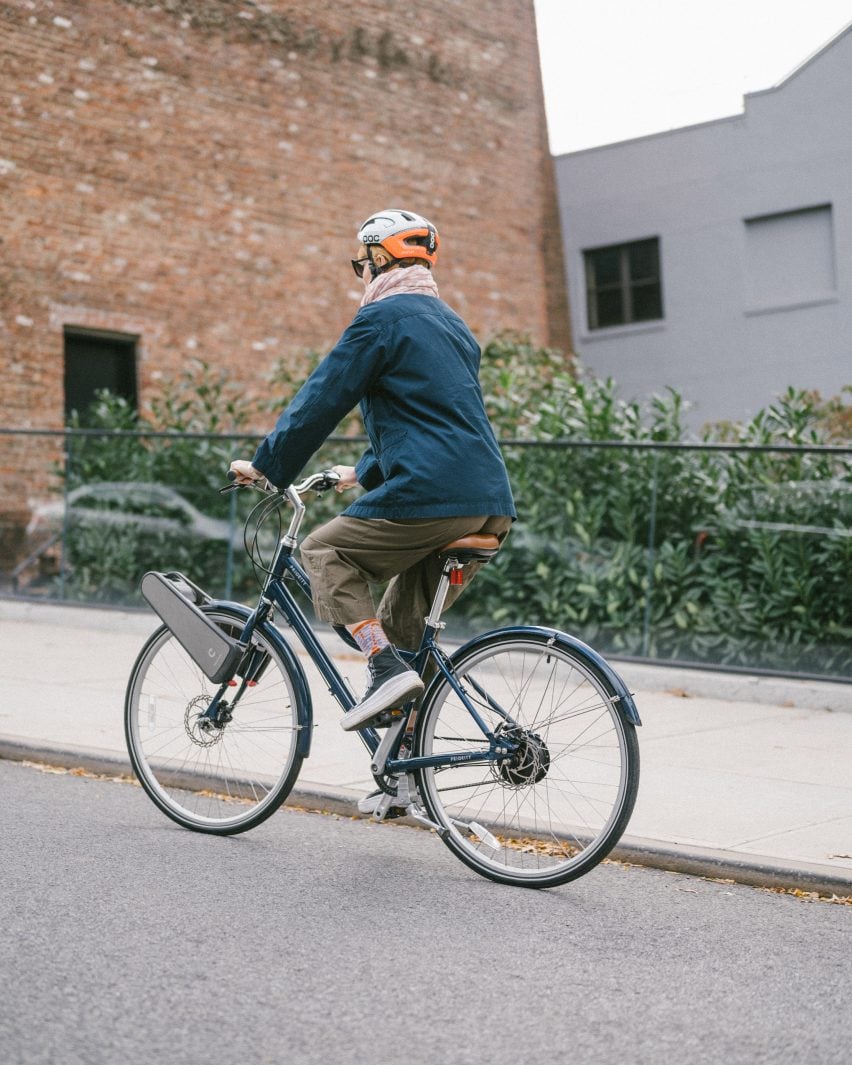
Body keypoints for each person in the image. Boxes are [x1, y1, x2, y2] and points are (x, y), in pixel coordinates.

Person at [230, 208, 515, 734]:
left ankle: (381, 669)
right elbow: (434, 420)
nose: (359, 273)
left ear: (379, 258)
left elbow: (322, 399)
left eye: (358, 262)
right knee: (404, 632)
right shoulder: (454, 326)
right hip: (487, 500)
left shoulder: (381, 320)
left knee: (323, 551)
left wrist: (269, 466)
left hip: (431, 495)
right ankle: (405, 774)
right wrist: (360, 472)